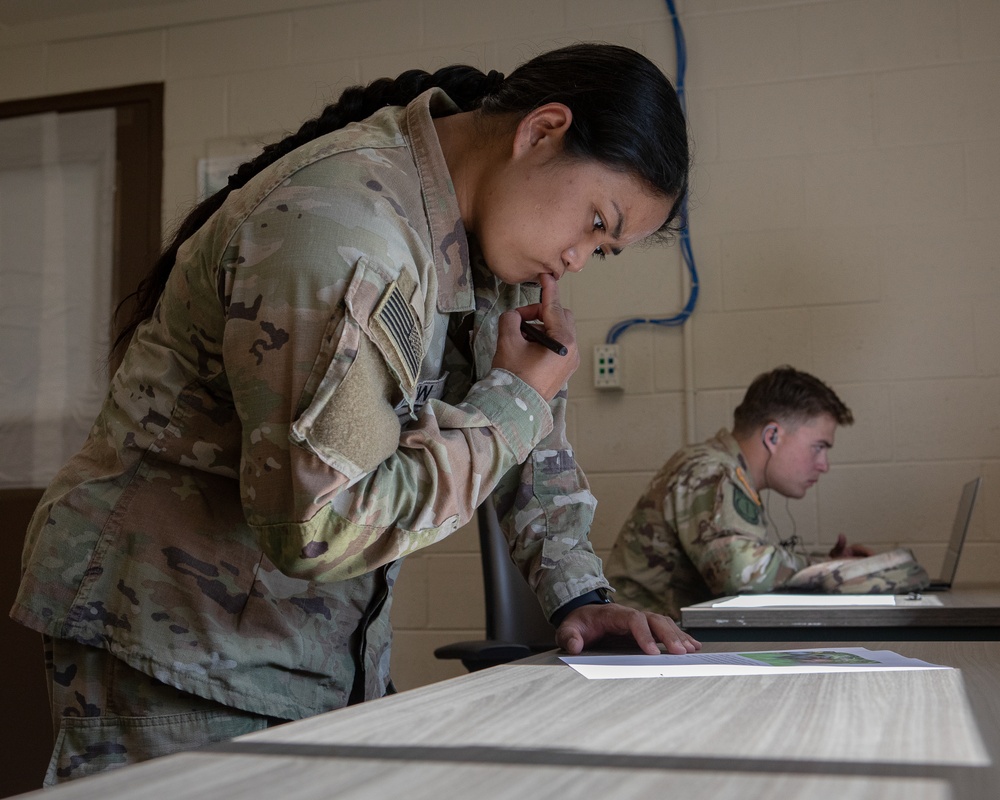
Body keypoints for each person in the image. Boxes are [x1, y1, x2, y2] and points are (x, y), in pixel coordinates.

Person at [11, 43, 701, 783]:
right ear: (542, 130)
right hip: (178, 651)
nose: (577, 260)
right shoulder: (348, 231)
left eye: (605, 250)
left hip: (299, 655)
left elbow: (525, 445)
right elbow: (320, 525)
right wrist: (516, 401)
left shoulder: (489, 250)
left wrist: (582, 596)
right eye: (596, 222)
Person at [605, 365, 873, 621]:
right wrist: (835, 571)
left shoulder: (723, 471)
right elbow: (742, 577)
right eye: (818, 447)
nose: (824, 465)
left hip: (657, 645)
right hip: (639, 651)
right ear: (772, 436)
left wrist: (827, 564)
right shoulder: (712, 472)